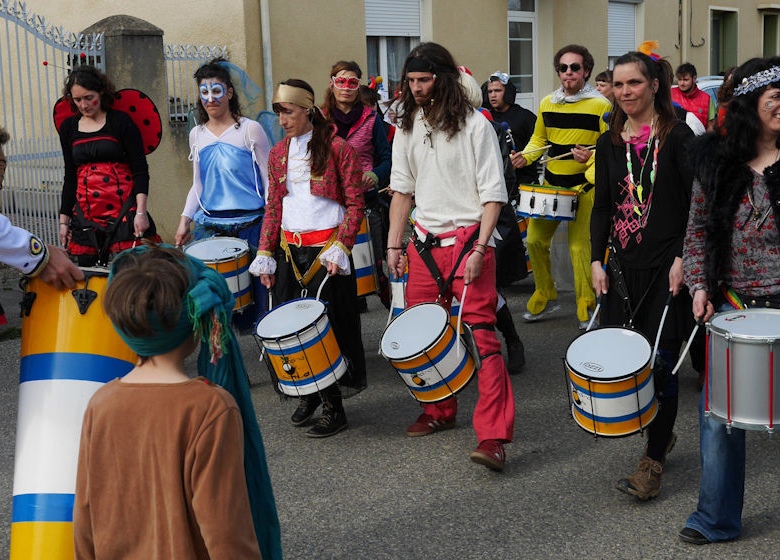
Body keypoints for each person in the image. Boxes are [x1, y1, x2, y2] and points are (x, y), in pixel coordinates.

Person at [73, 244, 282, 559]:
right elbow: (226, 533)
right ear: (194, 324)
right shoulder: (211, 408)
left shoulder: (100, 403)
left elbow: (84, 516)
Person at [386, 42, 515, 472]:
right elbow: (402, 190)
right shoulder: (406, 126)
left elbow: (493, 194)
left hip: (468, 242)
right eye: (412, 81)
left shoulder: (477, 125)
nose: (417, 88)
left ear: (443, 79)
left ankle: (494, 436)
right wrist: (394, 244)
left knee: (482, 339)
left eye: (424, 80)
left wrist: (480, 246)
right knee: (426, 338)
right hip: (423, 243)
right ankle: (440, 411)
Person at [679, 56, 780, 545]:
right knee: (719, 419)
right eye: (775, 96)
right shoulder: (716, 162)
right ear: (748, 105)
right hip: (734, 308)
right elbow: (697, 231)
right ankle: (715, 519)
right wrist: (700, 285)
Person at [591, 50, 694, 500]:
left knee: (661, 360)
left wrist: (685, 257)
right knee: (631, 361)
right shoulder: (609, 140)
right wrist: (596, 259)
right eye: (618, 84)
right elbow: (602, 207)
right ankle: (658, 434)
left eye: (634, 83)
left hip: (666, 266)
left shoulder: (679, 137)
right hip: (622, 267)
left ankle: (653, 458)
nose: (625, 92)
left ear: (654, 85)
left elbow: (697, 206)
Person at [250, 79, 366, 438]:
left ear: (307, 109)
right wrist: (266, 253)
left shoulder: (337, 149)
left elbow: (355, 204)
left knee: (327, 330)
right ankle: (311, 393)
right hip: (289, 252)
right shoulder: (278, 153)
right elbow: (273, 207)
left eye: (287, 112)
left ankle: (335, 407)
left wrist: (341, 246)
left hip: (326, 253)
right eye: (279, 113)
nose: (281, 120)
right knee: (293, 332)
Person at [513, 44, 611, 329]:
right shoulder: (547, 103)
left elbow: (609, 149)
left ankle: (586, 306)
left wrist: (592, 157)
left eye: (575, 67)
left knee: (580, 248)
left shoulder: (601, 105)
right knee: (533, 241)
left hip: (584, 187)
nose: (568, 73)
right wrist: (525, 156)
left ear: (587, 71)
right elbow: (539, 141)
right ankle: (546, 293)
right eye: (563, 68)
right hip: (552, 185)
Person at [174, 58, 271, 332]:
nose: (210, 98)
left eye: (216, 90)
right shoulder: (197, 134)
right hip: (210, 228)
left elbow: (269, 180)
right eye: (204, 92)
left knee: (256, 303)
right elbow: (198, 184)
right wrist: (185, 219)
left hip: (251, 226)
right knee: (213, 310)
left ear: (229, 92)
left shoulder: (250, 130)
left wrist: (273, 226)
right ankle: (221, 368)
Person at [57, 65, 161, 267]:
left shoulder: (121, 122)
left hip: (124, 213)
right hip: (86, 213)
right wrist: (64, 222)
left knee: (133, 272)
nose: (84, 105)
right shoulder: (68, 128)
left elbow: (140, 170)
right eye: (77, 100)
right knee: (88, 279)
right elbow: (70, 177)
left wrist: (141, 212)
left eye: (89, 97)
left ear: (101, 92)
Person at [321, 60, 393, 310]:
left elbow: (387, 160)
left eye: (352, 82)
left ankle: (396, 318)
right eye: (341, 81)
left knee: (375, 270)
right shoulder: (319, 119)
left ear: (358, 86)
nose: (346, 87)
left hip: (365, 204)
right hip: (329, 207)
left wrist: (373, 176)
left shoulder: (371, 119)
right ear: (332, 85)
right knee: (333, 275)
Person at [484, 71, 538, 188]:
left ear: (508, 92)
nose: (493, 95)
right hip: (496, 184)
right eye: (490, 91)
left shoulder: (526, 117)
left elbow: (538, 145)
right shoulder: (484, 118)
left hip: (524, 183)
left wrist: (525, 158)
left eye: (498, 91)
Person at [671, 62, 716, 130]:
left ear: (694, 79)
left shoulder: (707, 99)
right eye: (679, 79)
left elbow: (710, 127)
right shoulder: (670, 94)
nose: (682, 83)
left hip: (698, 140)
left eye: (685, 80)